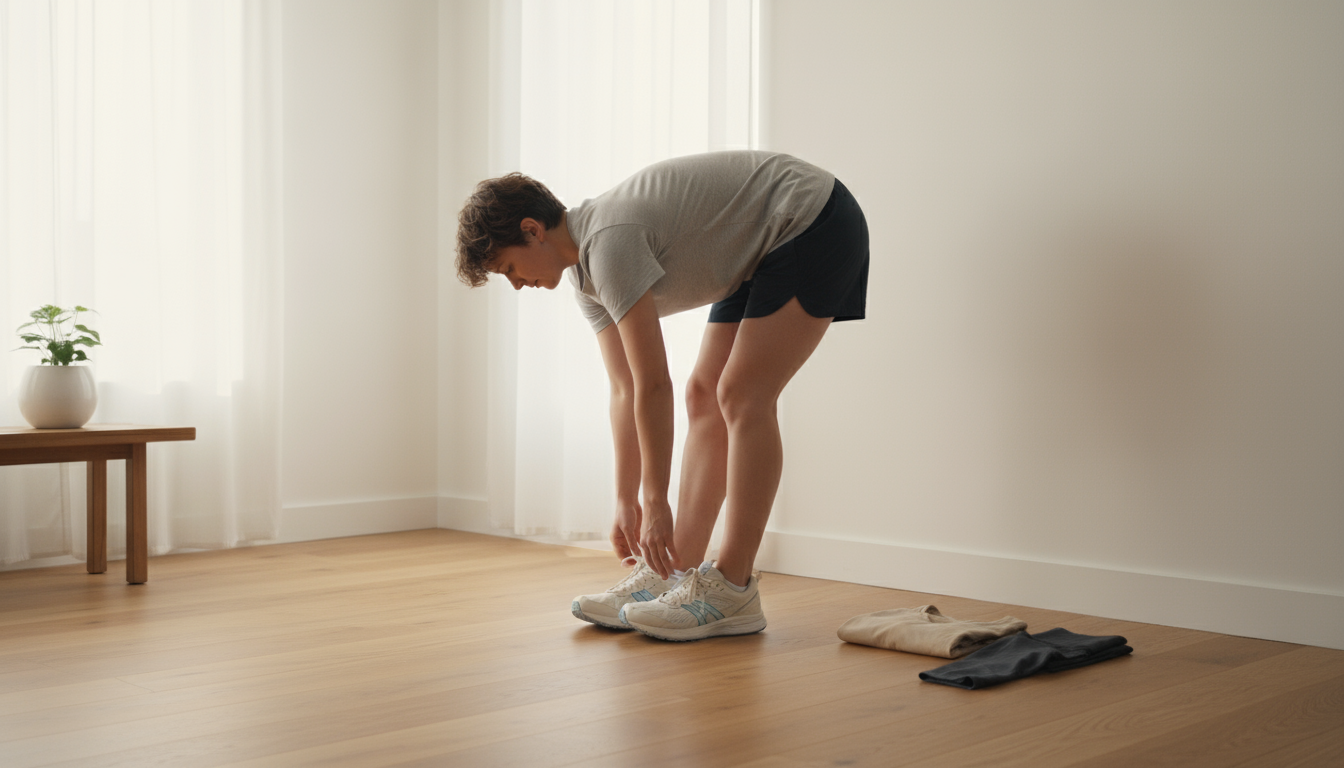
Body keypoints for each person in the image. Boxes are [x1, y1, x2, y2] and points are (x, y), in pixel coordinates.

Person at [455, 150, 869, 641]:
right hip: (760, 247)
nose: (518, 285)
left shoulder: (609, 243)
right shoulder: (587, 280)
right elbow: (625, 388)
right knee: (705, 395)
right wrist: (627, 499)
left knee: (740, 394)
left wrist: (657, 504)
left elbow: (654, 383)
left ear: (531, 230)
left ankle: (734, 589)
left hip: (809, 217)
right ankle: (673, 570)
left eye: (508, 269)